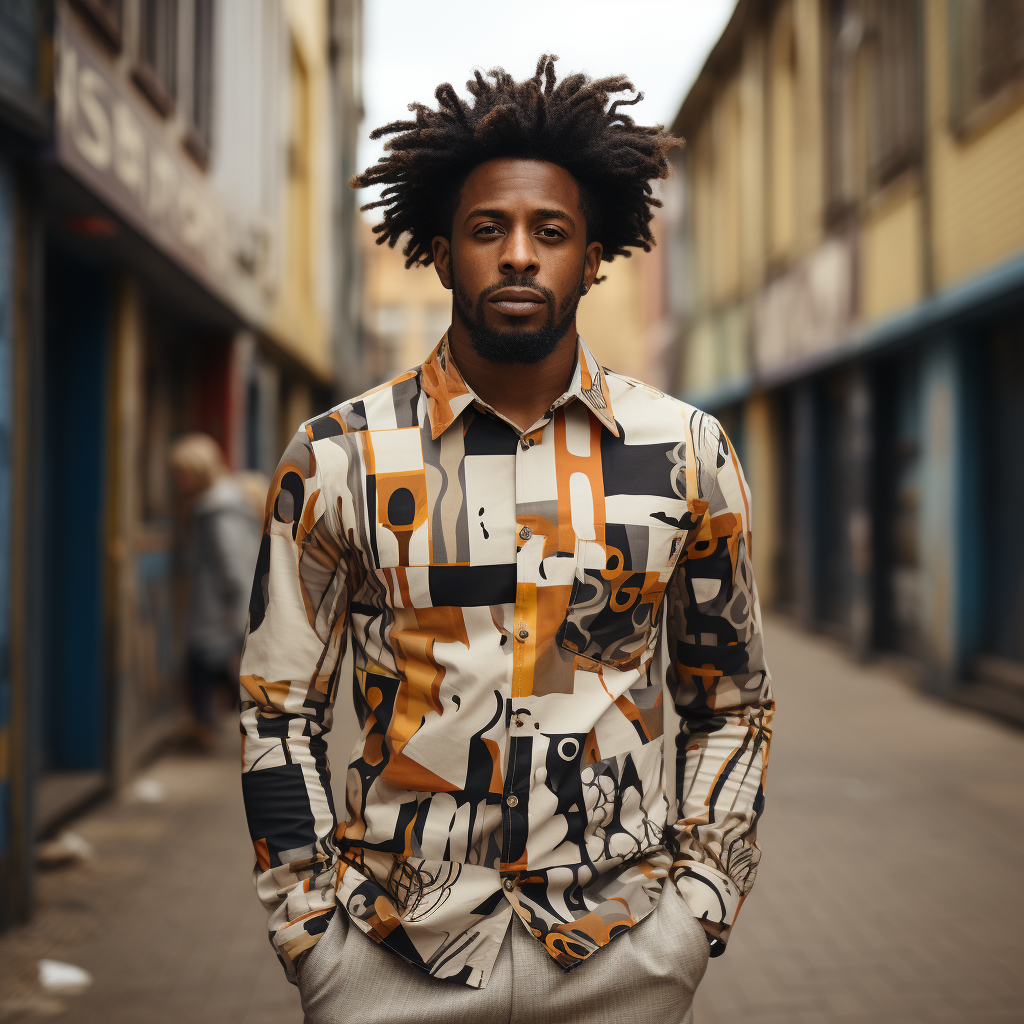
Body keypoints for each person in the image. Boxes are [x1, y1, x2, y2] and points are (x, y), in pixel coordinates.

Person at [240, 56, 773, 1024]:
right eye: (488, 230)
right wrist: (310, 929)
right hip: (388, 950)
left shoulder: (687, 451)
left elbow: (732, 702)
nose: (519, 255)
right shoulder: (337, 457)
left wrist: (700, 906)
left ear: (593, 258)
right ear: (443, 255)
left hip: (623, 951)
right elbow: (277, 709)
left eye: (550, 232)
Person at [170, 433, 261, 749]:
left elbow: (232, 562)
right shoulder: (223, 502)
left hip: (217, 604)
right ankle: (205, 724)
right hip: (220, 602)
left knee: (205, 661)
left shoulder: (216, 509)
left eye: (182, 473)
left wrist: (234, 608)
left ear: (198, 470)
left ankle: (205, 727)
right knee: (210, 662)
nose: (177, 481)